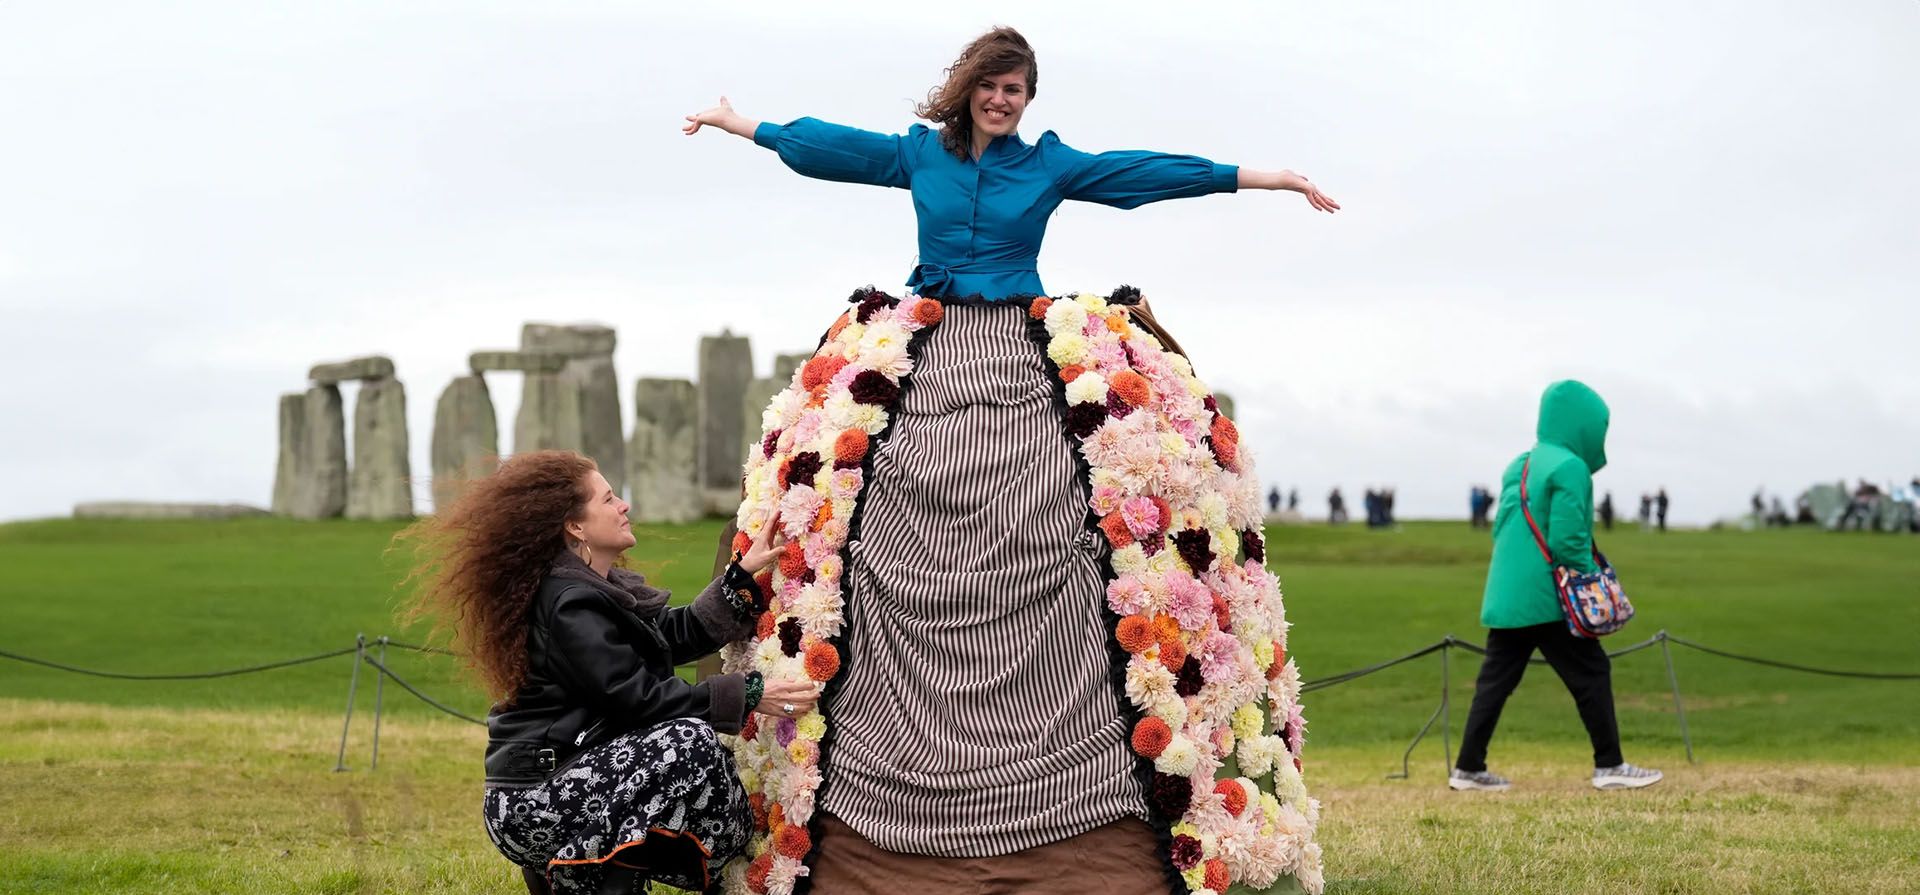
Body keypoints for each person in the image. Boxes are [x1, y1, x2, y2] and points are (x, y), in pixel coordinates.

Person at [685, 26, 1335, 895]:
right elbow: (834, 148)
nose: (1002, 100)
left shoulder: (1050, 165)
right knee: (875, 507)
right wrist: (746, 125)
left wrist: (1265, 178)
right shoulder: (922, 155)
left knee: (1067, 511)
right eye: (991, 86)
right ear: (968, 88)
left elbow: (1145, 175)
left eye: (1016, 90)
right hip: (933, 346)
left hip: (1025, 352)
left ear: (1029, 99)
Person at [401, 451, 819, 895]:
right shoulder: (569, 604)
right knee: (687, 744)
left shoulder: (592, 588)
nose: (624, 506)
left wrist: (742, 575)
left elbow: (669, 637)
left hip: (564, 778)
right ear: (576, 527)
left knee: (695, 763)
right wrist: (750, 693)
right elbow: (638, 697)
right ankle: (592, 876)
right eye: (608, 499)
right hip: (535, 798)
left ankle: (580, 874)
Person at [1450, 381, 1662, 793]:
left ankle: (1468, 767)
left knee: (1495, 682)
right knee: (1592, 673)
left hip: (1507, 595)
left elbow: (1501, 527)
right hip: (1548, 598)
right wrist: (1590, 578)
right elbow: (1568, 541)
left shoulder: (1521, 464)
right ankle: (1610, 765)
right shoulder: (1570, 467)